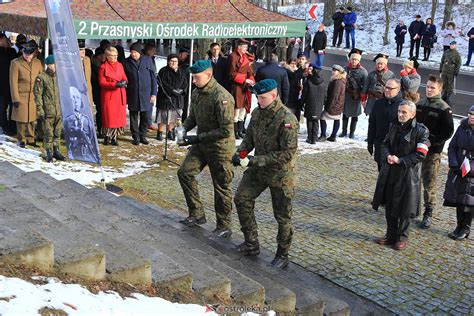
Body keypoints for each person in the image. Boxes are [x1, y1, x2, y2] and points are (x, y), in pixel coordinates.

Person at [232, 79, 298, 269]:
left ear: (273, 95)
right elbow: (249, 138)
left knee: (282, 215)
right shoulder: (257, 113)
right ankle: (251, 242)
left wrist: (254, 160)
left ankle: (282, 254)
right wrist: (241, 154)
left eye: (262, 98)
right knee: (242, 198)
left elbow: (287, 154)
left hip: (280, 173)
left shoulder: (287, 119)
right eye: (257, 97)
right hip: (258, 169)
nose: (258, 101)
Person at [177, 60, 235, 237]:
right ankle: (197, 213)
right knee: (185, 173)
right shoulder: (197, 92)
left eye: (196, 77)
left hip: (220, 148)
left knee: (221, 186)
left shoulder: (222, 97)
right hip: (202, 144)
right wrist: (183, 128)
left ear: (208, 75)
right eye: (193, 78)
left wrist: (197, 137)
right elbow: (193, 116)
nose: (194, 81)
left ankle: (224, 225)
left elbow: (226, 130)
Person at [372, 100, 430, 250]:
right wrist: (388, 156)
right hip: (390, 171)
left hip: (408, 175)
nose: (400, 114)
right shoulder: (393, 126)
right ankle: (390, 235)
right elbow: (384, 144)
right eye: (399, 111)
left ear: (412, 114)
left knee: (405, 208)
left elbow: (421, 154)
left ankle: (402, 238)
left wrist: (401, 160)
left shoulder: (421, 131)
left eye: (404, 112)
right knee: (390, 205)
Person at [416, 75, 454, 228]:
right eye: (428, 87)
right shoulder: (421, 104)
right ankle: (411, 208)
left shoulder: (444, 108)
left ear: (440, 89)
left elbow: (448, 131)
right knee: (412, 180)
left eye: (433, 88)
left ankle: (428, 213)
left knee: (429, 182)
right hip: (416, 149)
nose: (429, 90)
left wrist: (433, 141)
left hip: (432, 153)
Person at [443, 105, 474, 241]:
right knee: (458, 199)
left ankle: (465, 228)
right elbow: (452, 146)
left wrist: (470, 169)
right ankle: (458, 226)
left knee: (468, 201)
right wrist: (454, 164)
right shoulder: (462, 128)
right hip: (458, 170)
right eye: (470, 114)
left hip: (471, 174)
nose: (472, 117)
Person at [9, 40, 43, 148]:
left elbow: (41, 78)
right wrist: (15, 98)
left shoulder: (37, 63)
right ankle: (21, 139)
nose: (28, 56)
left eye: (30, 54)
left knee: (32, 119)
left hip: (33, 95)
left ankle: (31, 138)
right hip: (21, 94)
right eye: (26, 54)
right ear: (23, 52)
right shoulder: (16, 63)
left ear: (33, 54)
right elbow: (13, 81)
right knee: (21, 119)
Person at [123, 42, 157, 145]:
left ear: (139, 52)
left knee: (145, 117)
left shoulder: (147, 60)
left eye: (135, 52)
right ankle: (136, 137)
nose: (133, 54)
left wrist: (153, 93)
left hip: (146, 94)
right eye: (132, 52)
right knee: (133, 117)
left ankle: (143, 136)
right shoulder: (126, 62)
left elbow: (153, 78)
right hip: (133, 93)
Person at [33, 55, 64, 163]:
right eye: (52, 64)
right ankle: (48, 151)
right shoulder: (41, 78)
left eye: (56, 64)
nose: (55, 66)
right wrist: (40, 110)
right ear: (48, 65)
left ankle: (56, 150)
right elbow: (38, 95)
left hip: (58, 111)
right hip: (48, 111)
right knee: (48, 133)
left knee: (57, 132)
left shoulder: (59, 77)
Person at [367, 79, 403, 171]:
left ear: (398, 89)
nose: (387, 90)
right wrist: (370, 142)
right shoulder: (378, 103)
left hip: (395, 149)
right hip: (380, 144)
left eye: (390, 88)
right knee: (381, 175)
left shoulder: (402, 105)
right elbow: (372, 124)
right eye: (386, 87)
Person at [98, 46, 128, 146]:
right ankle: (107, 136)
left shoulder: (120, 65)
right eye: (112, 56)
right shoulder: (103, 67)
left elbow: (124, 77)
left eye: (115, 55)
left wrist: (124, 81)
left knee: (118, 117)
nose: (114, 58)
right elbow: (102, 82)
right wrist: (114, 84)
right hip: (109, 94)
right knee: (109, 117)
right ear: (107, 56)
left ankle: (114, 137)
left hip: (119, 95)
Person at [156, 54, 188, 141]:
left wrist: (181, 91)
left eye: (175, 61)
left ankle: (170, 131)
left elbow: (185, 82)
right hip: (166, 97)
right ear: (168, 62)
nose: (174, 63)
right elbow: (162, 83)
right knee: (163, 116)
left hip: (177, 98)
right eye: (172, 61)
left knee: (174, 117)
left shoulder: (182, 71)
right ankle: (160, 132)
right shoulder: (163, 71)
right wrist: (172, 90)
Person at [228, 38, 255, 140]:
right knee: (237, 109)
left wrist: (251, 79)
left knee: (243, 108)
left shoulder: (245, 57)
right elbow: (232, 74)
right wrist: (245, 80)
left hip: (245, 86)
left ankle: (240, 130)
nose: (246, 49)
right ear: (239, 47)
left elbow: (250, 71)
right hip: (237, 86)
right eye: (244, 47)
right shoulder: (233, 57)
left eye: (246, 47)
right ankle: (235, 131)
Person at [63, 86, 98, 162]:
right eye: (73, 97)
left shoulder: (86, 120)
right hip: (73, 151)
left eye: (78, 98)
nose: (76, 101)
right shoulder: (67, 120)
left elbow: (91, 136)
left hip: (85, 152)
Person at [341, 48, 367, 139]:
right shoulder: (345, 69)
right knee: (345, 113)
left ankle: (352, 132)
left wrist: (362, 95)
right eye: (352, 59)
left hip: (356, 97)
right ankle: (344, 131)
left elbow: (365, 85)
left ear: (358, 60)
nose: (354, 61)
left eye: (356, 59)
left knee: (354, 115)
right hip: (346, 95)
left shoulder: (363, 72)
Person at [319, 64, 346, 142]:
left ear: (339, 72)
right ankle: (333, 136)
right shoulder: (341, 80)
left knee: (322, 117)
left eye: (335, 70)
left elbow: (335, 95)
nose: (333, 72)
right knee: (337, 119)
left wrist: (329, 106)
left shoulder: (337, 81)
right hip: (339, 104)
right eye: (333, 70)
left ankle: (323, 135)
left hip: (334, 104)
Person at [301, 67, 326, 144]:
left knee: (309, 121)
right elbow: (325, 96)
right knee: (316, 121)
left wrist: (302, 103)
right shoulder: (323, 83)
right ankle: (314, 138)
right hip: (319, 105)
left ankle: (310, 138)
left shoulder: (308, 82)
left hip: (309, 103)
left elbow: (304, 95)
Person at [0, 32, 17, 136]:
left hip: (11, 84)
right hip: (2, 87)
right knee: (2, 109)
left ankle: (11, 126)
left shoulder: (11, 51)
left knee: (12, 108)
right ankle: (5, 127)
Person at [142, 42, 159, 131]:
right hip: (147, 85)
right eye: (153, 51)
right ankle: (147, 123)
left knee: (150, 105)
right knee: (147, 106)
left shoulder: (152, 59)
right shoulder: (145, 59)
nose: (154, 52)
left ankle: (148, 122)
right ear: (148, 51)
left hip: (152, 82)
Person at [440, 41, 461, 105]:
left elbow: (458, 64)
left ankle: (447, 97)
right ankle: (444, 95)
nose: (451, 46)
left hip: (451, 71)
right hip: (444, 70)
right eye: (451, 45)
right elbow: (442, 61)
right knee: (443, 84)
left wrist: (456, 72)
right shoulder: (446, 52)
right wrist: (440, 69)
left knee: (450, 86)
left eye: (453, 45)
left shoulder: (457, 54)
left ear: (455, 46)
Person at [90, 47, 106, 137]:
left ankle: (103, 129)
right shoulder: (94, 65)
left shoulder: (102, 64)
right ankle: (100, 129)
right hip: (96, 90)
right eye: (103, 54)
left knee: (102, 110)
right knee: (99, 110)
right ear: (99, 56)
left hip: (101, 90)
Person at [78, 40, 93, 110]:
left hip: (87, 89)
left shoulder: (87, 59)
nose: (83, 51)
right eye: (81, 50)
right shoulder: (73, 61)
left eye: (84, 49)